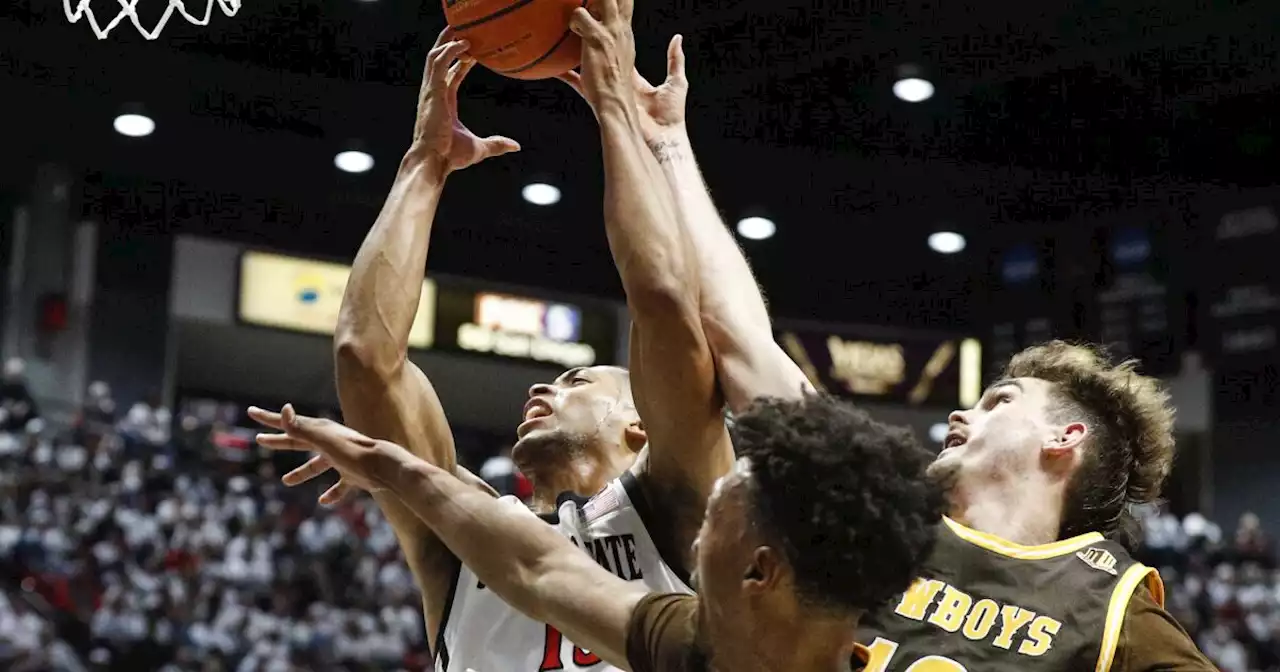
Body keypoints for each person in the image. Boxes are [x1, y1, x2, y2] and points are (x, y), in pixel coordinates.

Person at [291, 16, 734, 672]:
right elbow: (365, 358)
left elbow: (665, 305)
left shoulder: (682, 506)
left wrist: (617, 108)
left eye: (578, 381)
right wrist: (425, 163)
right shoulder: (467, 532)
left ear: (641, 424)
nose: (542, 387)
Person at [248, 393, 944, 672]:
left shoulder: (701, 652)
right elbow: (538, 570)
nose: (701, 539)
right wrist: (384, 463)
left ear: (760, 572)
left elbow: (537, 572)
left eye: (719, 519)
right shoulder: (689, 641)